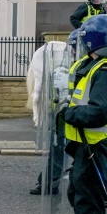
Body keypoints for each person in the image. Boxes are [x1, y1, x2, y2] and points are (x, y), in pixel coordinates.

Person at [62, 14, 107, 212]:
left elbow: (100, 113)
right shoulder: (96, 66)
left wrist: (69, 114)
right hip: (88, 143)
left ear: (93, 41)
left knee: (87, 203)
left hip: (96, 145)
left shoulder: (105, 70)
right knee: (77, 194)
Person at [29, 29, 79, 196]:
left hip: (69, 115)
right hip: (67, 114)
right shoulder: (77, 65)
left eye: (73, 47)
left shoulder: (79, 66)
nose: (70, 51)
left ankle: (51, 183)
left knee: (58, 149)